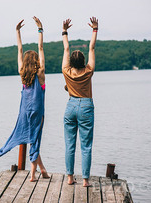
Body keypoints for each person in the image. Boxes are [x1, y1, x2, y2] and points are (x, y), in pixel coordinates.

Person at [0, 16, 49, 182]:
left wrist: (17, 31)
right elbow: (40, 47)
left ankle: (42, 170)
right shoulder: (40, 74)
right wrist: (40, 29)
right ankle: (33, 175)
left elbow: (20, 50)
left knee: (32, 139)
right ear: (36, 62)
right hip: (37, 112)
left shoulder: (22, 73)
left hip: (23, 112)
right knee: (35, 140)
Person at [61, 17, 98, 186]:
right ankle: (85, 180)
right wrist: (95, 30)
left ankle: (69, 178)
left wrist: (65, 31)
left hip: (70, 106)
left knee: (70, 144)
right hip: (86, 107)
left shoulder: (66, 71)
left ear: (71, 62)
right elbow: (91, 47)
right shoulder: (88, 71)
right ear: (83, 62)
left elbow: (66, 48)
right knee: (86, 145)